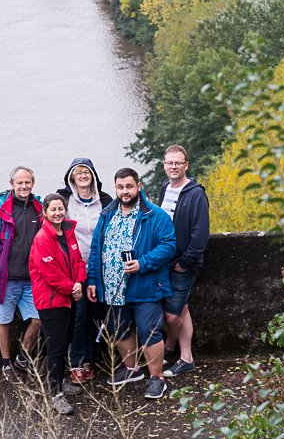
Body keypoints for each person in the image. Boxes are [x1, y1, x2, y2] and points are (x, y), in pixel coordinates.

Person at [87, 168, 176, 399]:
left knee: (149, 332)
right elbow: (96, 249)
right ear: (115, 188)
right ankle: (132, 369)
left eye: (129, 186)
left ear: (139, 186)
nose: (125, 191)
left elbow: (168, 246)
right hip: (112, 287)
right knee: (119, 329)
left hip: (145, 286)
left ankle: (157, 378)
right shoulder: (107, 214)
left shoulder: (155, 215)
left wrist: (142, 263)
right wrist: (93, 280)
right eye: (120, 187)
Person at [0, 166, 42, 384]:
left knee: (38, 319)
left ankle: (22, 359)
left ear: (33, 183)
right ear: (11, 184)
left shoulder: (38, 208)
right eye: (19, 183)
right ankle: (6, 364)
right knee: (4, 321)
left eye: (27, 182)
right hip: (6, 279)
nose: (24, 186)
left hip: (32, 278)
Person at [29, 193, 86, 415]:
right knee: (55, 348)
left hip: (69, 296)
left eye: (60, 209)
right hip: (52, 301)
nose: (58, 213)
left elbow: (78, 261)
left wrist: (79, 282)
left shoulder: (68, 233)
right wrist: (73, 288)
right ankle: (55, 393)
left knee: (65, 343)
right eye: (53, 209)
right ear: (45, 212)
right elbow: (49, 274)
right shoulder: (42, 238)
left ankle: (62, 382)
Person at [57, 157, 112, 384]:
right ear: (71, 177)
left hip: (100, 267)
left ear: (93, 176)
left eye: (86, 172)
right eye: (77, 172)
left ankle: (92, 359)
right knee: (79, 316)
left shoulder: (106, 201)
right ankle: (77, 362)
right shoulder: (65, 200)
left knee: (96, 315)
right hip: (75, 269)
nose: (82, 176)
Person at [159, 144, 210, 378]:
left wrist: (185, 262)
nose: (173, 166)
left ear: (186, 165)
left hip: (182, 264)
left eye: (178, 162)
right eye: (169, 162)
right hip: (164, 262)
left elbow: (200, 234)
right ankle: (179, 353)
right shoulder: (164, 188)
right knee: (183, 309)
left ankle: (182, 354)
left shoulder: (196, 193)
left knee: (172, 314)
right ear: (164, 165)